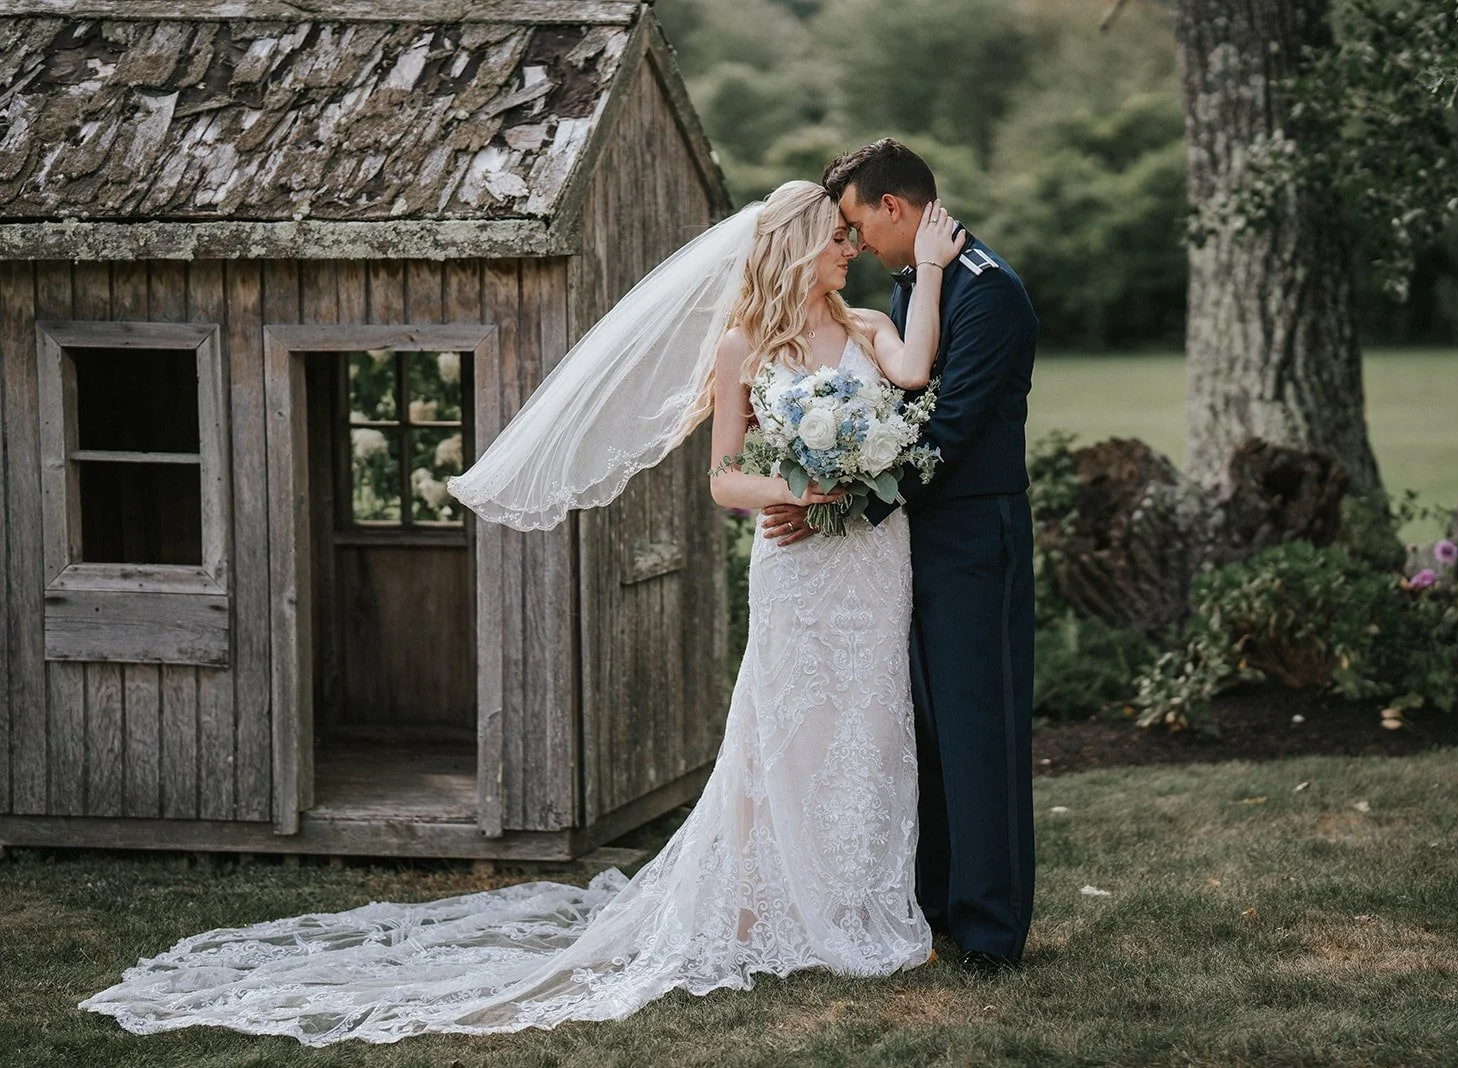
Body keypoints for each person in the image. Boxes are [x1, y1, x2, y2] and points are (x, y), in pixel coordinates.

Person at [78, 181, 967, 1045]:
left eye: (856, 239)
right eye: (840, 239)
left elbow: (917, 371)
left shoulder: (871, 327)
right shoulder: (742, 346)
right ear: (798, 245)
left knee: (866, 725)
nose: (853, 251)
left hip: (870, 561)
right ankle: (765, 906)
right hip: (797, 562)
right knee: (788, 726)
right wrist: (804, 489)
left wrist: (927, 273)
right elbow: (724, 478)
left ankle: (852, 902)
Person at [763, 140, 1040, 973]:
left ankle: (992, 933)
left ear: (893, 206)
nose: (851, 244)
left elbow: (945, 434)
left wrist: (839, 509)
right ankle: (939, 904)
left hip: (968, 538)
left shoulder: (990, 296)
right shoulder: (917, 279)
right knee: (922, 730)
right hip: (907, 542)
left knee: (976, 730)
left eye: (853, 224)